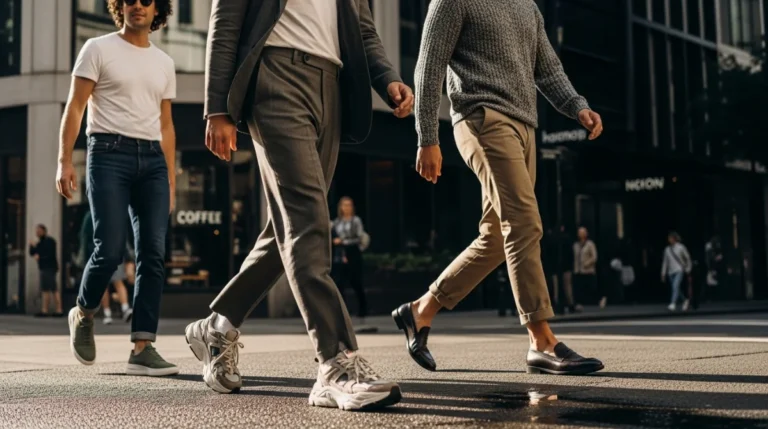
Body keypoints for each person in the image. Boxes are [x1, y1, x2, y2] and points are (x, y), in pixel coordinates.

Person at [184, 0, 413, 410]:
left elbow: (362, 29)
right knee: (308, 223)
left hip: (331, 85)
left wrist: (388, 78)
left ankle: (217, 327)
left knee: (289, 228)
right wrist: (217, 106)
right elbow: (226, 20)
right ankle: (335, 363)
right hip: (274, 75)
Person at [392, 0, 604, 376]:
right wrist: (427, 137)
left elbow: (548, 69)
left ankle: (420, 310)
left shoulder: (526, 6)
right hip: (482, 118)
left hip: (524, 128)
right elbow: (428, 65)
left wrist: (577, 106)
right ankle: (542, 340)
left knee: (495, 237)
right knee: (524, 224)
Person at [56, 0, 178, 376]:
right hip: (108, 153)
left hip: (153, 161)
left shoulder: (164, 63)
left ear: (157, 8)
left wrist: (171, 179)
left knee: (153, 253)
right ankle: (84, 311)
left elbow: (167, 125)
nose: (136, 4)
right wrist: (63, 160)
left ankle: (142, 346)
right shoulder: (98, 48)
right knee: (108, 250)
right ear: (118, 6)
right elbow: (75, 106)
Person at [78, 209, 134, 325]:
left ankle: (114, 311)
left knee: (108, 284)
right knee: (112, 284)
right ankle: (120, 309)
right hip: (108, 252)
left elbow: (84, 237)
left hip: (105, 253)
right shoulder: (108, 213)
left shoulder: (92, 215)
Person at [331, 197, 375, 333]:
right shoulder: (336, 222)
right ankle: (343, 314)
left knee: (356, 282)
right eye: (344, 205)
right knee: (340, 283)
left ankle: (363, 310)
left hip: (353, 253)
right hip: (340, 254)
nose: (347, 207)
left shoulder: (356, 221)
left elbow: (360, 237)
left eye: (349, 205)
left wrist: (343, 241)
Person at [29, 224, 63, 318]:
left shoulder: (49, 241)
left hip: (49, 268)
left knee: (53, 288)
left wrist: (40, 257)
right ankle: (45, 310)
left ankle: (58, 309)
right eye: (36, 231)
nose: (37, 233)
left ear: (44, 231)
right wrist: (31, 246)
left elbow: (49, 254)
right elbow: (32, 253)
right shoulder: (40, 243)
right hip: (44, 268)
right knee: (45, 289)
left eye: (39, 231)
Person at [662, 231, 692, 311]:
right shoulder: (667, 249)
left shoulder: (681, 247)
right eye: (669, 238)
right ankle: (685, 300)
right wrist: (663, 273)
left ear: (674, 239)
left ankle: (673, 303)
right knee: (676, 288)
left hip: (679, 270)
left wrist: (688, 269)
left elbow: (687, 258)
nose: (669, 239)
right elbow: (665, 262)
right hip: (670, 272)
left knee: (675, 286)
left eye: (671, 238)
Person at [573, 227, 601, 308]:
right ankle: (581, 302)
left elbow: (594, 257)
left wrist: (587, 263)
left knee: (590, 287)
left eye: (582, 232)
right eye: (579, 233)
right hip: (578, 270)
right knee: (580, 288)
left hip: (588, 270)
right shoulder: (576, 245)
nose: (580, 234)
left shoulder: (590, 244)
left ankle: (593, 302)